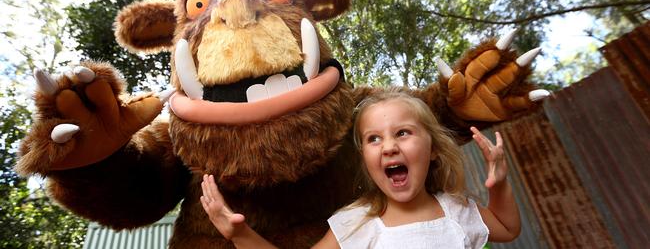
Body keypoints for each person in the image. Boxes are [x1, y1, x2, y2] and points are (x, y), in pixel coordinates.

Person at [200, 91, 521, 248]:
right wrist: (239, 233)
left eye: (403, 133)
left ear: (433, 149)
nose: (389, 146)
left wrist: (500, 185)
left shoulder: (456, 210)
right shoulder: (355, 223)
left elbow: (508, 229)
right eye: (374, 138)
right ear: (365, 158)